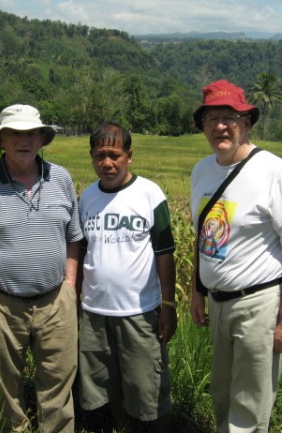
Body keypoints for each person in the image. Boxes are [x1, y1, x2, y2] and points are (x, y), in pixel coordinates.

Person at [189, 80, 282, 433]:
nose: (220, 126)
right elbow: (202, 237)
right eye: (211, 119)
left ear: (246, 123)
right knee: (222, 394)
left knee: (250, 405)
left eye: (228, 117)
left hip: (258, 305)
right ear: (202, 126)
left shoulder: (275, 173)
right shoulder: (201, 171)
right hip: (217, 304)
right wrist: (197, 290)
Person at [0, 104, 83, 432]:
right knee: (5, 381)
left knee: (59, 378)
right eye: (14, 133)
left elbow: (73, 238)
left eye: (31, 134)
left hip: (55, 300)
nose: (23, 141)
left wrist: (70, 285)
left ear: (42, 139)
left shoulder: (61, 178)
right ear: (1, 140)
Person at [77, 122, 177, 433]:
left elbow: (165, 253)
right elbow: (81, 252)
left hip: (139, 312)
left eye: (114, 155)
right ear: (92, 157)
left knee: (147, 388)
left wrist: (168, 305)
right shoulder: (87, 197)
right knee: (107, 387)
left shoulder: (149, 194)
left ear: (129, 156)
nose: (107, 163)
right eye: (100, 156)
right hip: (94, 312)